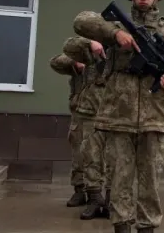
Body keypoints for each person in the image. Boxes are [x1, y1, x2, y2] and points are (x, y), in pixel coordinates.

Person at [72, 0, 164, 233]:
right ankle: (122, 224)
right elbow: (81, 21)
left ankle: (147, 226)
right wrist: (116, 35)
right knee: (120, 176)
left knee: (150, 178)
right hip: (118, 114)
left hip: (155, 117)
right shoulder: (115, 26)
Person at [61, 35, 113, 220]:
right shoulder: (89, 55)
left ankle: (110, 201)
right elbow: (58, 60)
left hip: (114, 116)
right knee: (88, 157)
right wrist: (84, 52)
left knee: (113, 161)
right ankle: (92, 197)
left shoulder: (118, 58)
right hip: (87, 115)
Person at [49, 46, 100, 209]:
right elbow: (56, 62)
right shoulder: (82, 51)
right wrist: (75, 60)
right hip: (78, 114)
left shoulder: (107, 58)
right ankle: (79, 190)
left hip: (97, 116)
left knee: (94, 157)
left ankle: (96, 195)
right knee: (77, 156)